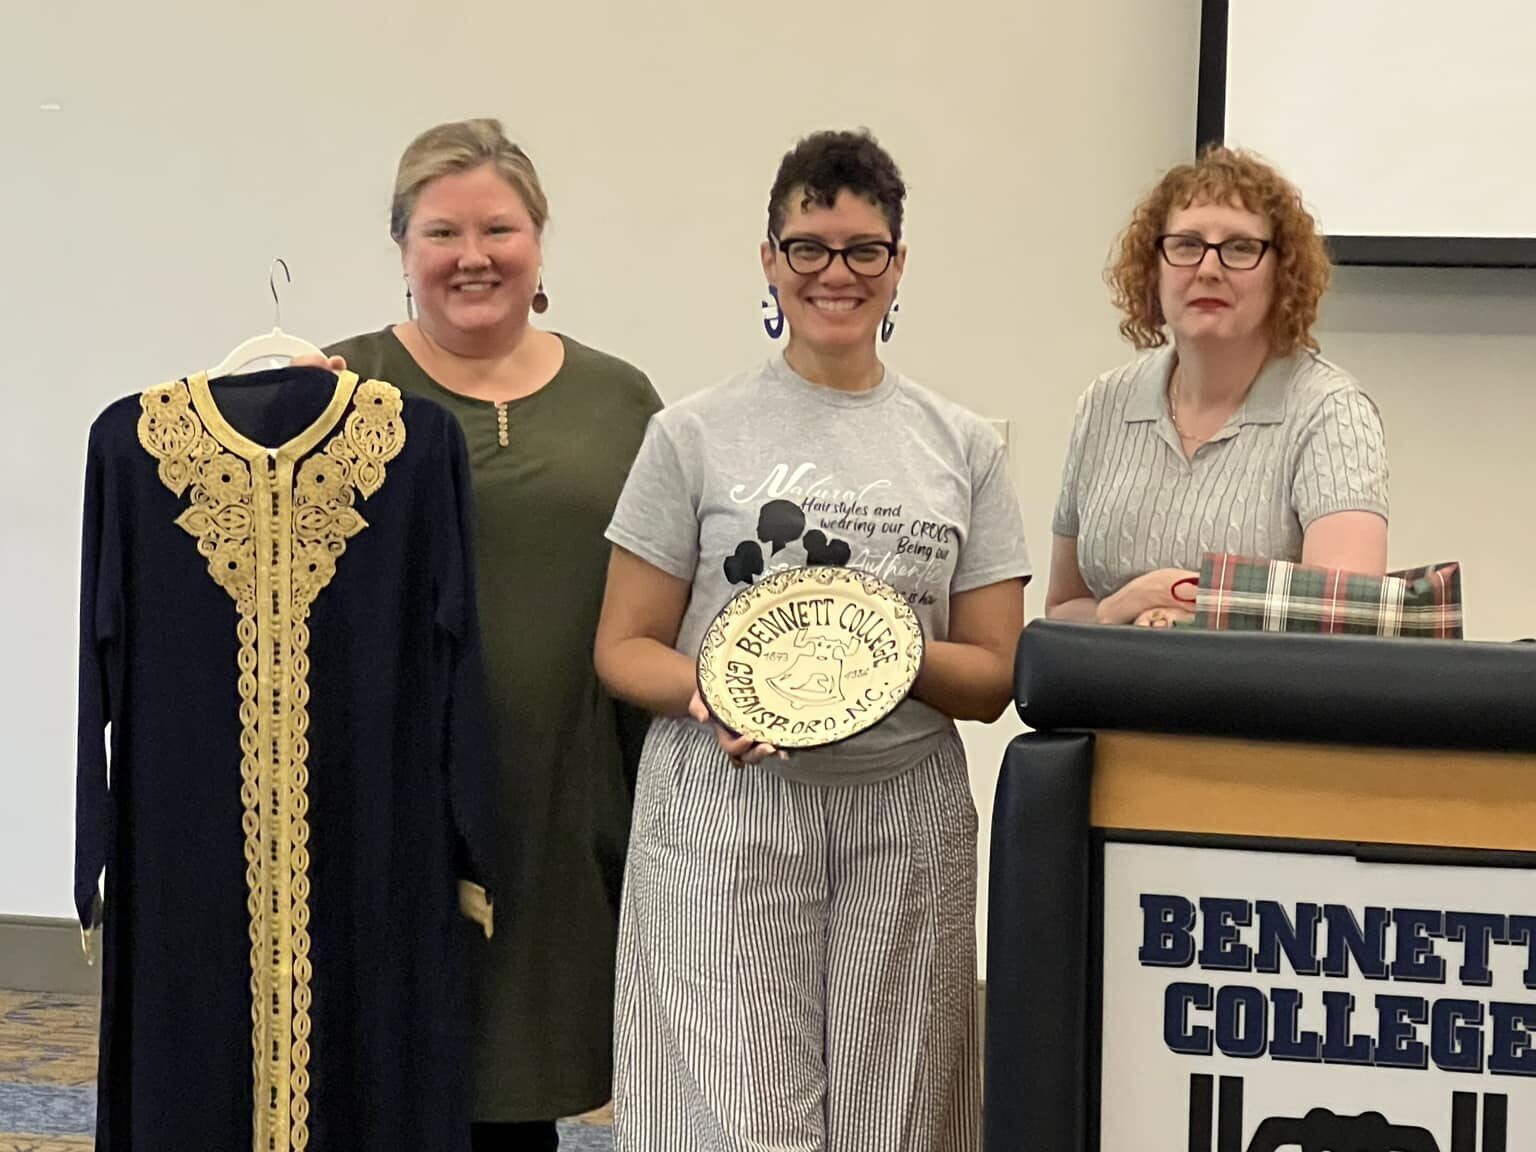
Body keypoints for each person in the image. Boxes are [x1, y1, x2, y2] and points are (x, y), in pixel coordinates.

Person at [592, 128, 1030, 1151]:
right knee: (737, 1120)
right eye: (810, 247)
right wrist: (725, 692)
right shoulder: (691, 434)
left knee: (901, 1115)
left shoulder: (959, 444)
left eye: (863, 249)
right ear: (770, 260)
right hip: (728, 802)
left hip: (902, 815)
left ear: (898, 265)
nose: (836, 274)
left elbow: (994, 674)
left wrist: (868, 658)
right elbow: (623, 646)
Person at [322, 118, 662, 1152]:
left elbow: (671, 581)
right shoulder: (341, 389)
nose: (473, 256)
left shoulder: (621, 398)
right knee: (389, 1065)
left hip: (566, 786)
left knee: (524, 1078)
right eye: (442, 232)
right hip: (394, 791)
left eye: (499, 229)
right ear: (404, 250)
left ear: (540, 243)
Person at [1045, 146, 1389, 628]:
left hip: (1262, 702)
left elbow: (1346, 619)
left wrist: (1185, 607)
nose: (1208, 269)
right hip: (1108, 699)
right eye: (1186, 244)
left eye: (1240, 248)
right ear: (1154, 268)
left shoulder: (1330, 411)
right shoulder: (1104, 404)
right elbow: (1062, 610)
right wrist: (1119, 608)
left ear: (1283, 273)